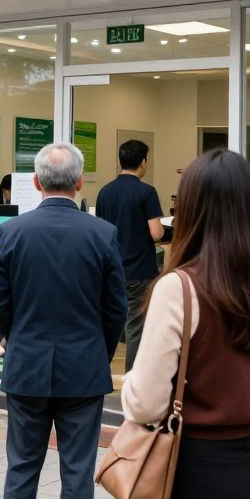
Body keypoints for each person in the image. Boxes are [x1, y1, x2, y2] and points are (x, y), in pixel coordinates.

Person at [123, 150, 250, 499]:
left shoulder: (178, 287)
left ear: (190, 209)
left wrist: (128, 382)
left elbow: (145, 404)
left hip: (195, 467)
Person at [0, 142, 126, 499]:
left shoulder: (11, 231)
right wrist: (101, 350)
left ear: (36, 182)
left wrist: (6, 338)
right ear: (80, 182)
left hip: (26, 365)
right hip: (83, 367)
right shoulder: (102, 234)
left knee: (21, 467)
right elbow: (115, 309)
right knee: (78, 471)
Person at [95, 139, 164, 371]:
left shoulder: (104, 192)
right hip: (140, 271)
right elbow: (156, 233)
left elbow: (101, 232)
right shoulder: (147, 192)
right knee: (135, 327)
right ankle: (131, 377)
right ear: (143, 162)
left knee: (109, 324)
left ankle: (100, 372)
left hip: (111, 270)